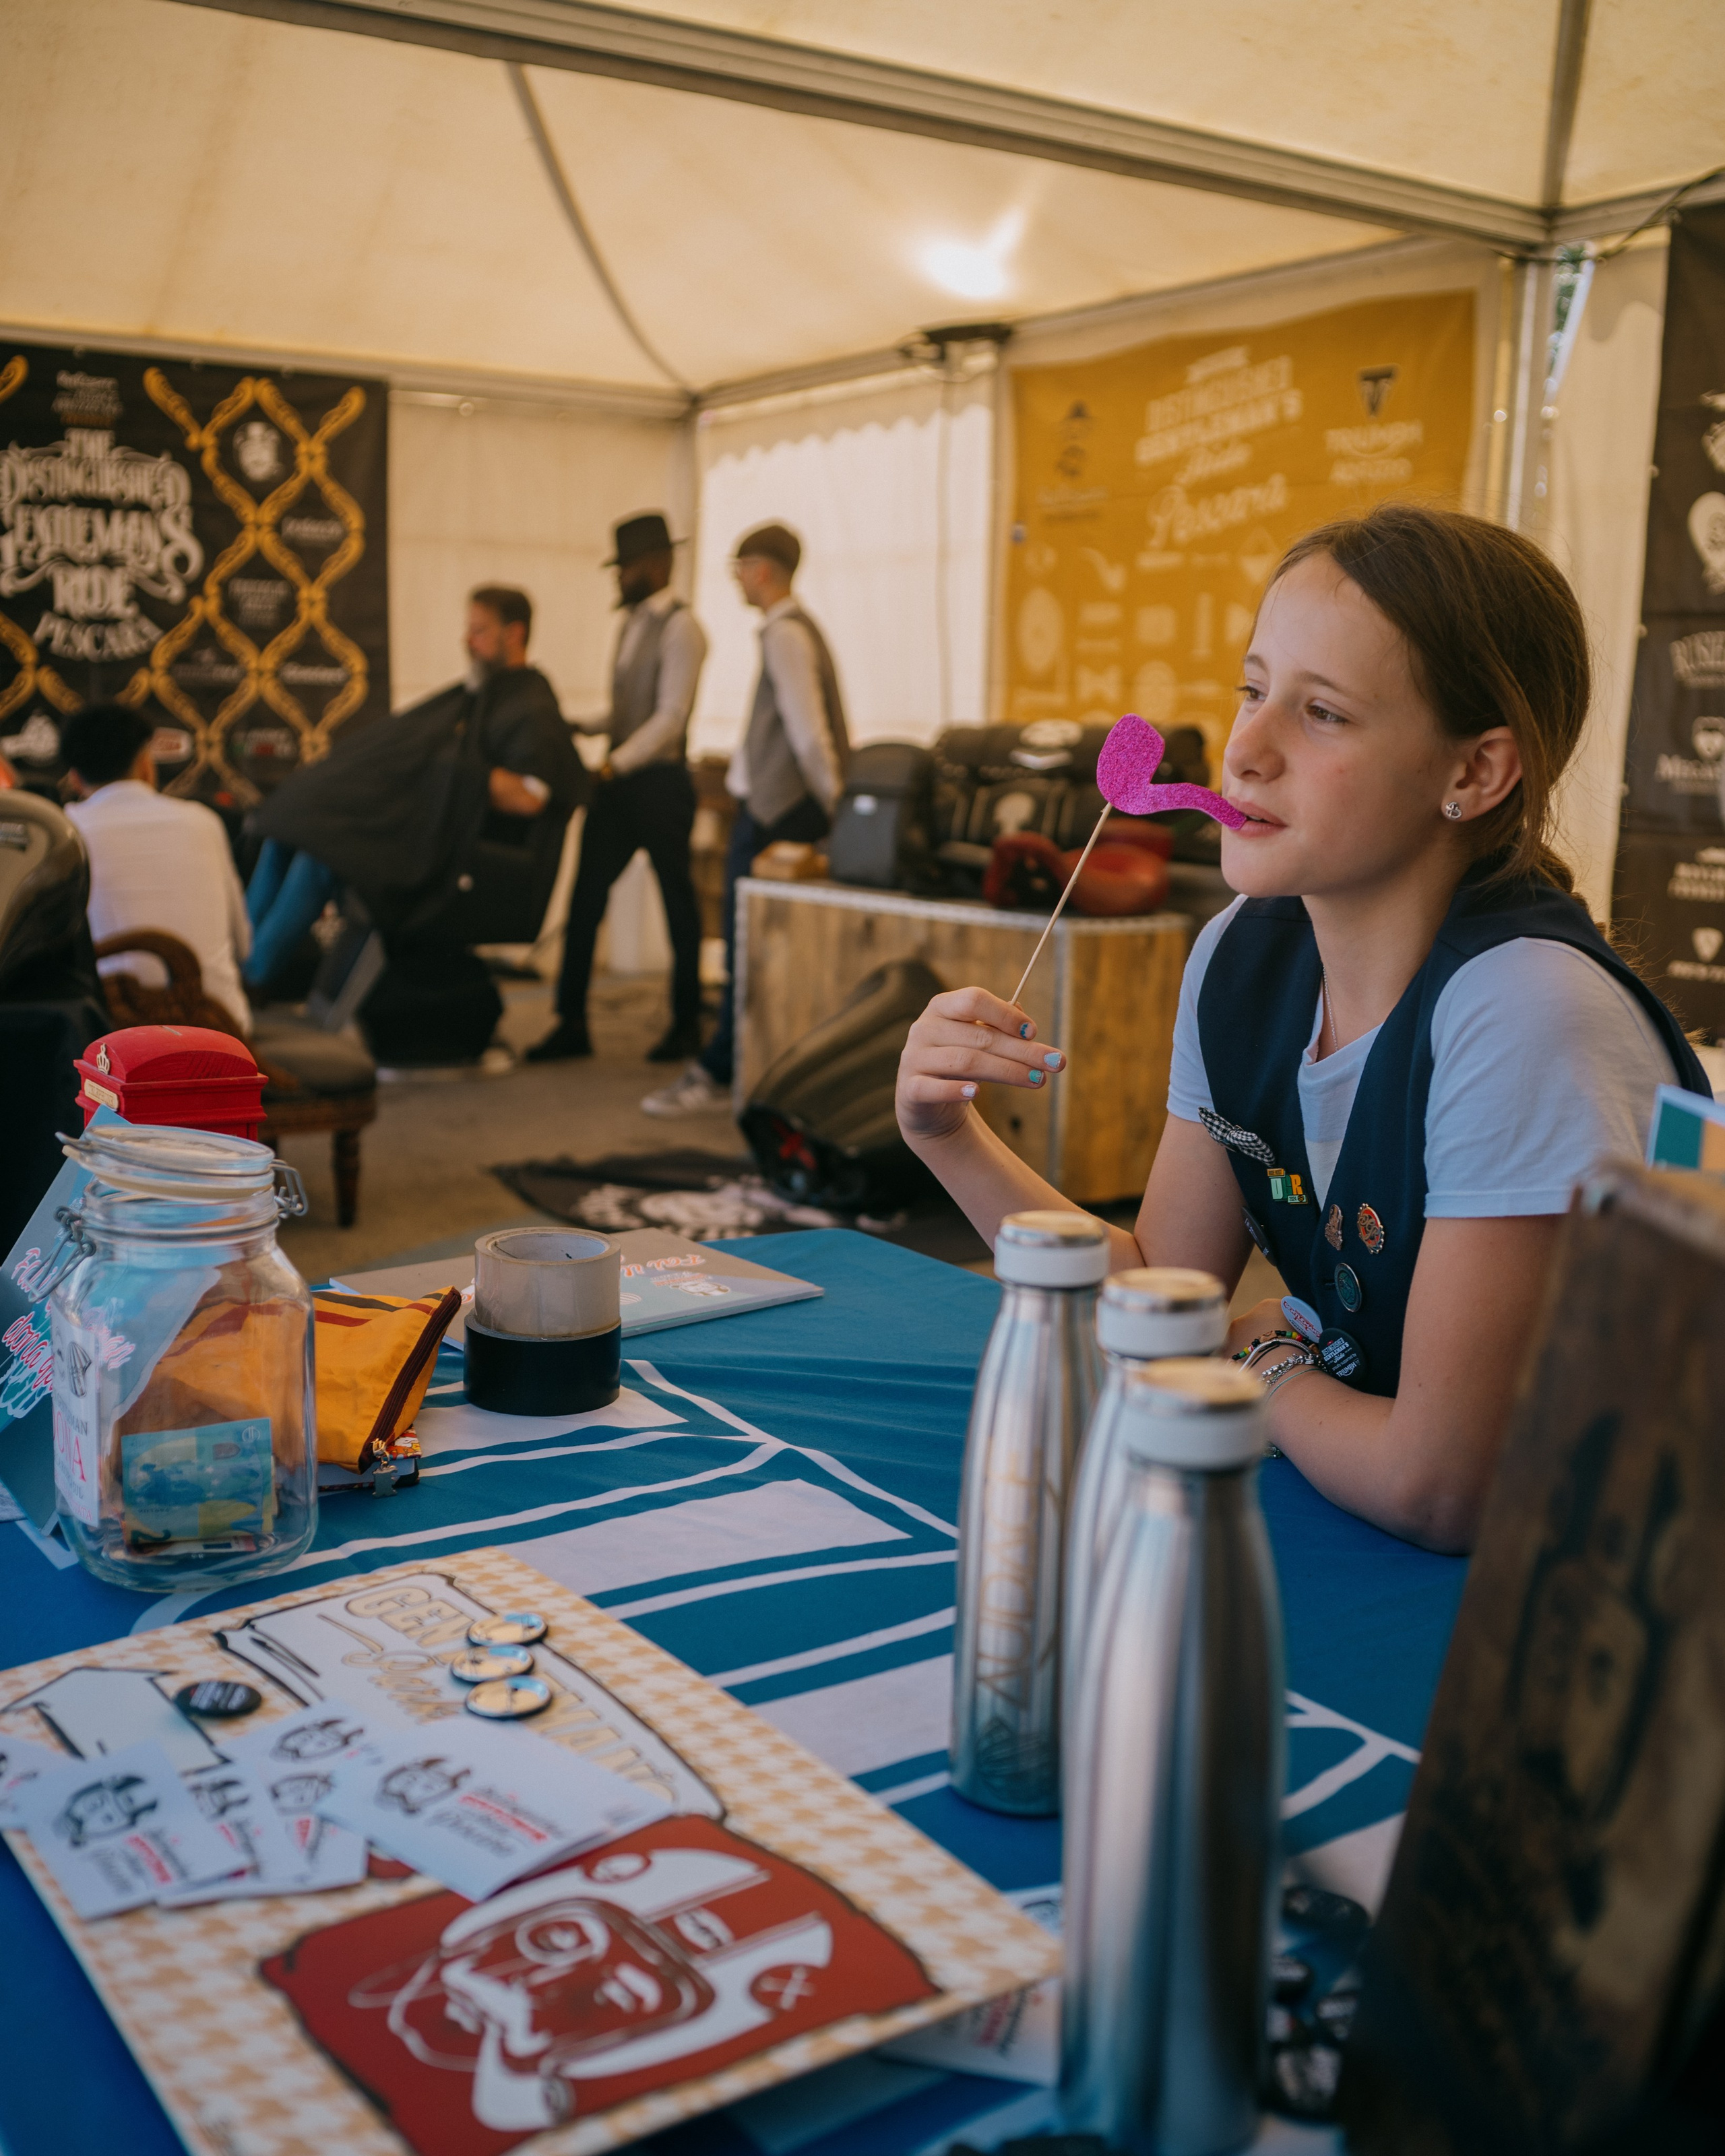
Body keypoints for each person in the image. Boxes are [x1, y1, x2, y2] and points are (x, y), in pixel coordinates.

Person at [894, 503, 1710, 1555]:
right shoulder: (1241, 950)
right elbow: (1166, 1300)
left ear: (1474, 773)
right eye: (1252, 689)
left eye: (1322, 713)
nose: (1244, 750)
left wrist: (1264, 1367)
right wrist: (948, 1136)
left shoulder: (1524, 1012)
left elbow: (1438, 1485)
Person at [245, 585, 582, 992]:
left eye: (479, 630)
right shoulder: (488, 696)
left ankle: (252, 977)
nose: (467, 641)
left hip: (458, 860)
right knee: (291, 831)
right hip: (427, 834)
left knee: (323, 854)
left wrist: (441, 769)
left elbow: (530, 796)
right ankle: (231, 968)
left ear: (514, 634)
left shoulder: (532, 706)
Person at [643, 522, 850, 1116]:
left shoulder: (786, 634)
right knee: (754, 952)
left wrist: (838, 808)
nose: (735, 577)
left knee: (747, 953)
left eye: (739, 566)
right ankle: (735, 1068)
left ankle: (718, 1073)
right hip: (776, 810)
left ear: (761, 570)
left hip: (777, 817)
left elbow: (810, 734)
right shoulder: (788, 631)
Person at [528, 513, 708, 1065]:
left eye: (626, 568)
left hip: (659, 785)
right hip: (622, 781)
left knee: (679, 905)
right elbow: (632, 711)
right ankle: (572, 1022)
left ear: (656, 565)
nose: (620, 578)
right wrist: (584, 725)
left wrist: (614, 765)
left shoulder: (683, 628)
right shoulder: (631, 624)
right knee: (585, 901)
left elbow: (670, 720)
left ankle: (685, 1023)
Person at [62, 701, 253, 1032]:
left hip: (108, 1042)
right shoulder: (204, 821)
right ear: (145, 765)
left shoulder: (63, 831)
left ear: (76, 779)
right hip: (220, 1034)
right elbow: (244, 946)